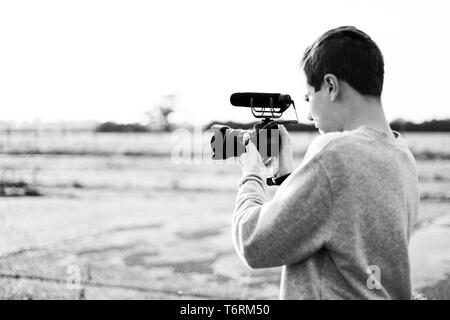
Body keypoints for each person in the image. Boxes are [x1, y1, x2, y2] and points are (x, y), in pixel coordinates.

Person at [232, 26, 419, 299]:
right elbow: (337, 226)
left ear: (330, 86)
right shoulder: (401, 155)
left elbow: (252, 243)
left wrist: (252, 171)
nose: (308, 114)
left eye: (309, 98)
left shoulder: (334, 154)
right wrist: (287, 177)